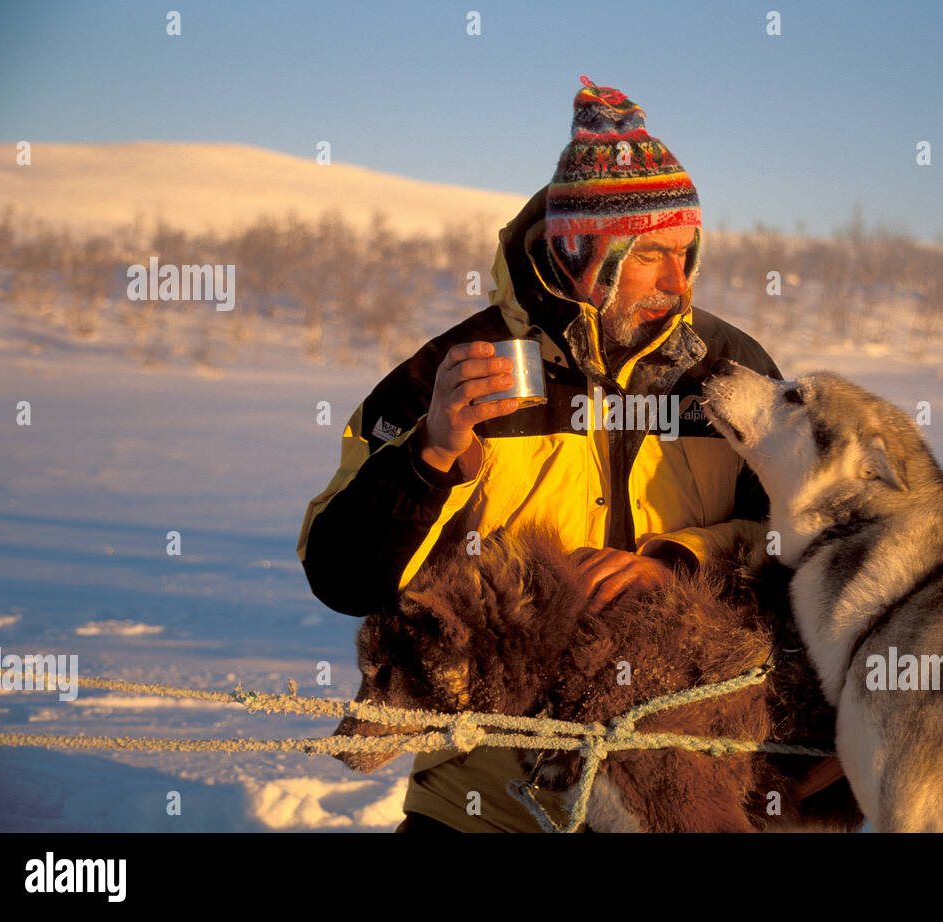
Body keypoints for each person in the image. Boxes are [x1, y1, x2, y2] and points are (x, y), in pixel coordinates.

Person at [296, 76, 784, 832]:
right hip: (484, 797)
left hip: (675, 790)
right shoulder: (458, 367)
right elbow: (342, 575)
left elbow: (804, 554)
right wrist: (429, 454)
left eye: (688, 255)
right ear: (583, 247)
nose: (679, 285)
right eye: (652, 256)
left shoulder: (727, 374)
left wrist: (681, 565)